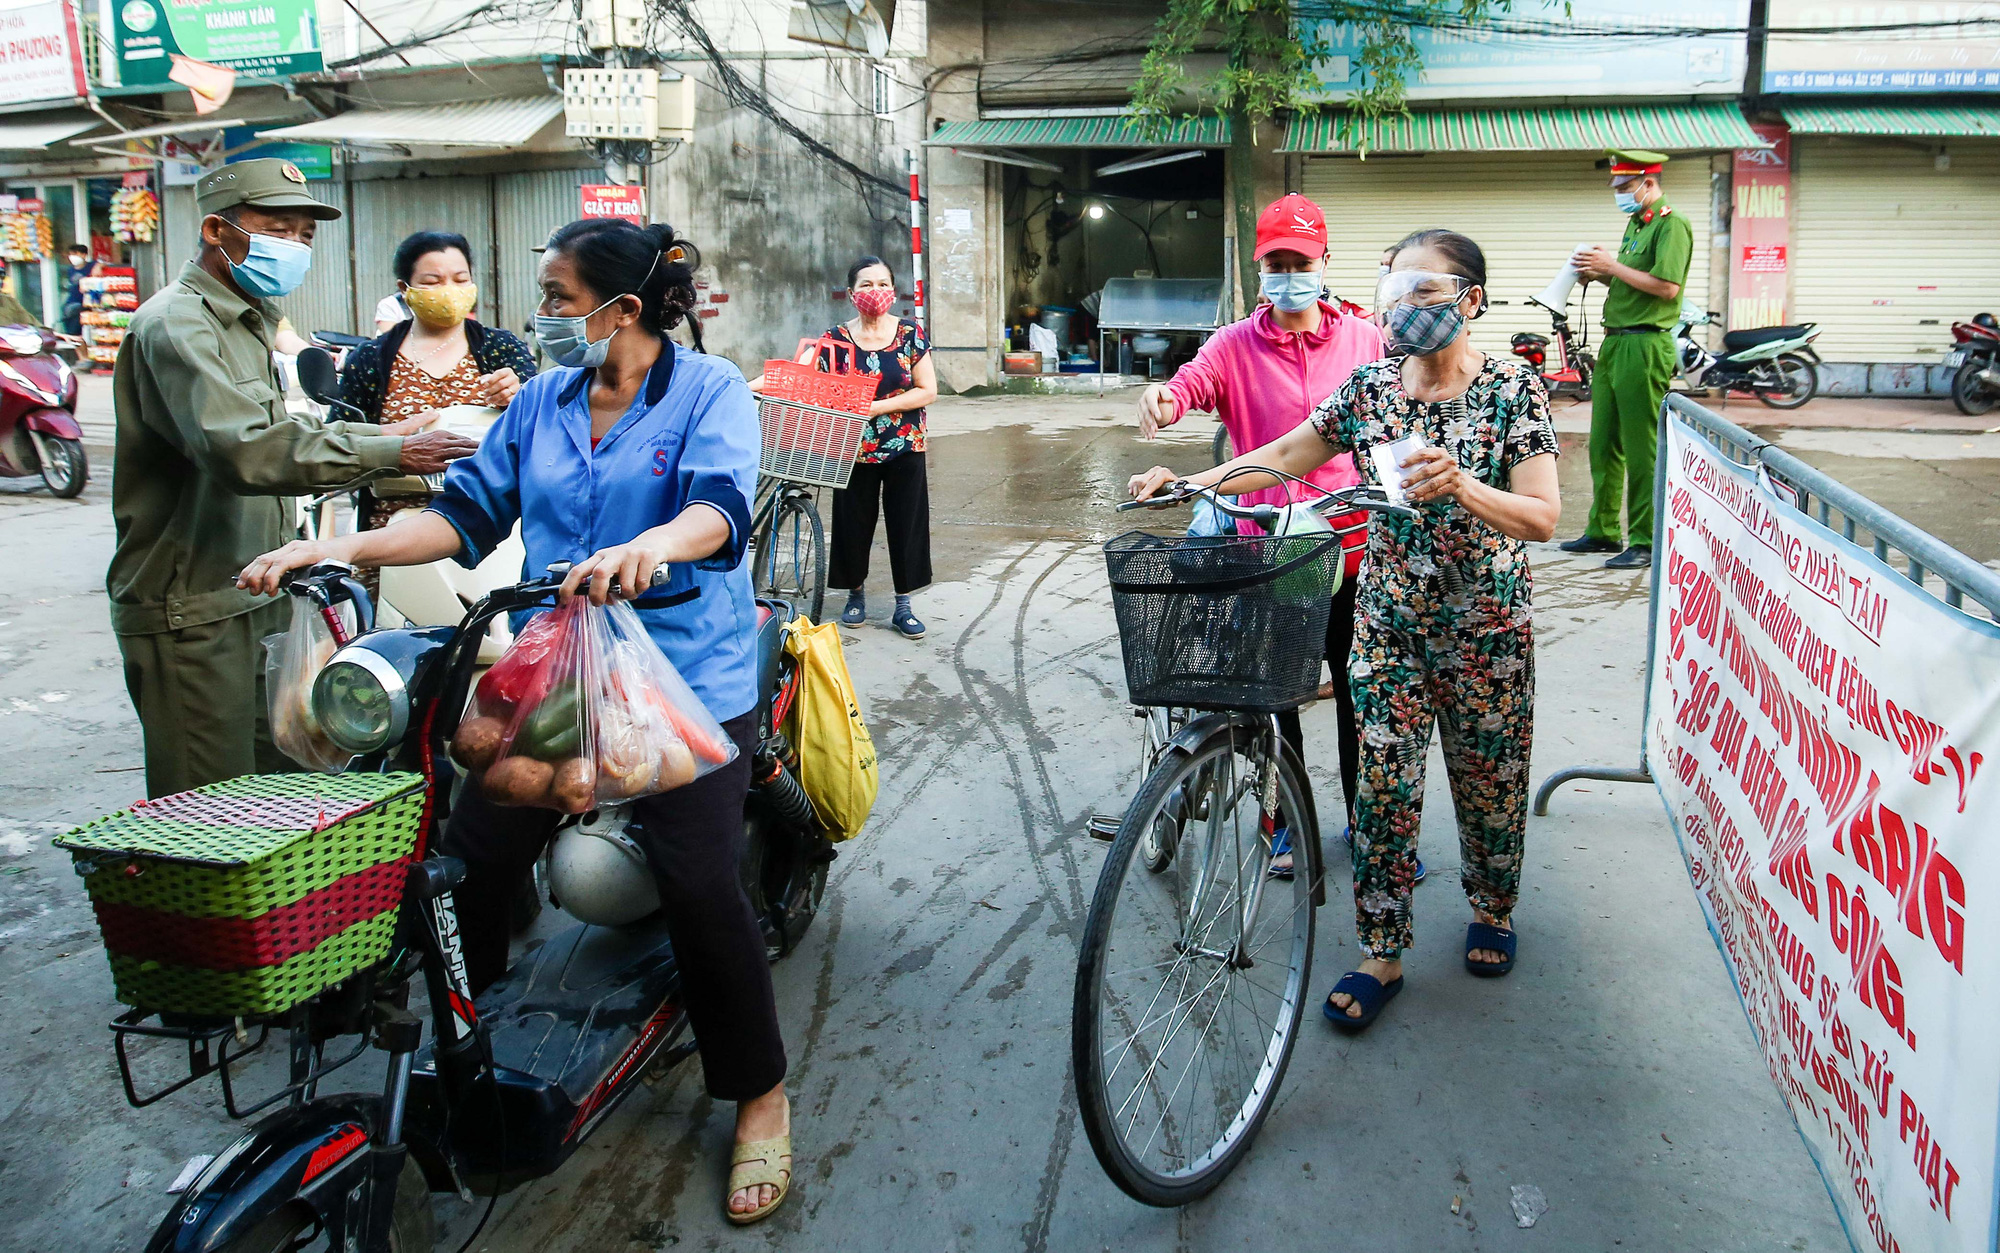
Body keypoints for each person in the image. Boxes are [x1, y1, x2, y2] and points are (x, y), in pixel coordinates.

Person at [235, 217, 795, 1226]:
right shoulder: (538, 400)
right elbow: (460, 516)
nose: (537, 316)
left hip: (682, 677)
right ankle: (467, 1036)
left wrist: (649, 546)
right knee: (472, 852)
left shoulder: (707, 391)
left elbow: (716, 509)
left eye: (554, 297)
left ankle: (757, 1089)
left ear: (621, 309)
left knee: (698, 880)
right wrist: (343, 551)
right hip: (558, 671)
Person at [1127, 229, 1561, 1034]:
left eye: (1422, 293)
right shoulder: (1370, 389)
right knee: (1385, 788)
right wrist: (1190, 478)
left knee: (1489, 783)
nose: (1402, 309)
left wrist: (1462, 485)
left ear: (1470, 300)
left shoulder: (1513, 390)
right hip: (1388, 622)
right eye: (1392, 291)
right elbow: (1286, 453)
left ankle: (1493, 908)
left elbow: (1541, 514)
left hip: (1487, 628)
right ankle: (1381, 950)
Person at [107, 158, 477, 799]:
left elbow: (287, 432)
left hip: (257, 589)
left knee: (279, 798)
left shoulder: (247, 321)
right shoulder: (178, 325)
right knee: (208, 818)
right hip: (192, 609)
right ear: (217, 231)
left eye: (305, 235)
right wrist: (393, 448)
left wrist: (395, 439)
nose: (295, 247)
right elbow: (247, 451)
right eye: (278, 228)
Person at [1135, 192, 1405, 878]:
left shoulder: (1364, 337)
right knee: (1278, 697)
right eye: (1276, 262)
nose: (1289, 273)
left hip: (1351, 541)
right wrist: (1166, 398)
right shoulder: (1235, 343)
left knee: (1357, 691)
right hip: (1271, 547)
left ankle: (1362, 822)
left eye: (1300, 260)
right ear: (1261, 268)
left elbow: (1403, 407)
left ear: (1323, 262)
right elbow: (1191, 384)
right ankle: (1282, 821)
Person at [763, 256, 936, 638]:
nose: (874, 292)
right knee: (852, 523)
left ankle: (903, 602)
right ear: (851, 292)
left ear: (892, 289)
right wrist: (740, 386)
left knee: (906, 524)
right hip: (851, 447)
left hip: (906, 446)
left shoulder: (909, 334)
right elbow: (797, 370)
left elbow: (928, 391)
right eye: (865, 285)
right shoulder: (836, 339)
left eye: (881, 284)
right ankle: (854, 594)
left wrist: (875, 407)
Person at [338, 230, 536, 530]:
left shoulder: (501, 348)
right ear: (404, 288)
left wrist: (517, 397)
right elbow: (342, 447)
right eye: (433, 282)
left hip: (488, 529)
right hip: (390, 532)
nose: (449, 290)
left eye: (460, 280)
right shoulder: (369, 359)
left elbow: (542, 429)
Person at [1560, 149, 1693, 570]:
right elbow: (1634, 281)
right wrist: (1598, 273)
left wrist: (1612, 267)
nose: (1619, 194)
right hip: (1614, 342)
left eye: (1624, 187)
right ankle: (1602, 530)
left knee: (1642, 448)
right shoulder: (1636, 226)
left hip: (1645, 344)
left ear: (1647, 183)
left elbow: (1667, 287)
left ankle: (1645, 540)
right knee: (1603, 443)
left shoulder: (1672, 225)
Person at [61, 243, 96, 335]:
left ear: (84, 255)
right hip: (72, 301)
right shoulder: (70, 270)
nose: (72, 257)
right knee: (67, 315)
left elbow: (103, 263)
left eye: (75, 254)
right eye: (71, 254)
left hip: (86, 303)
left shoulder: (91, 266)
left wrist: (98, 267)